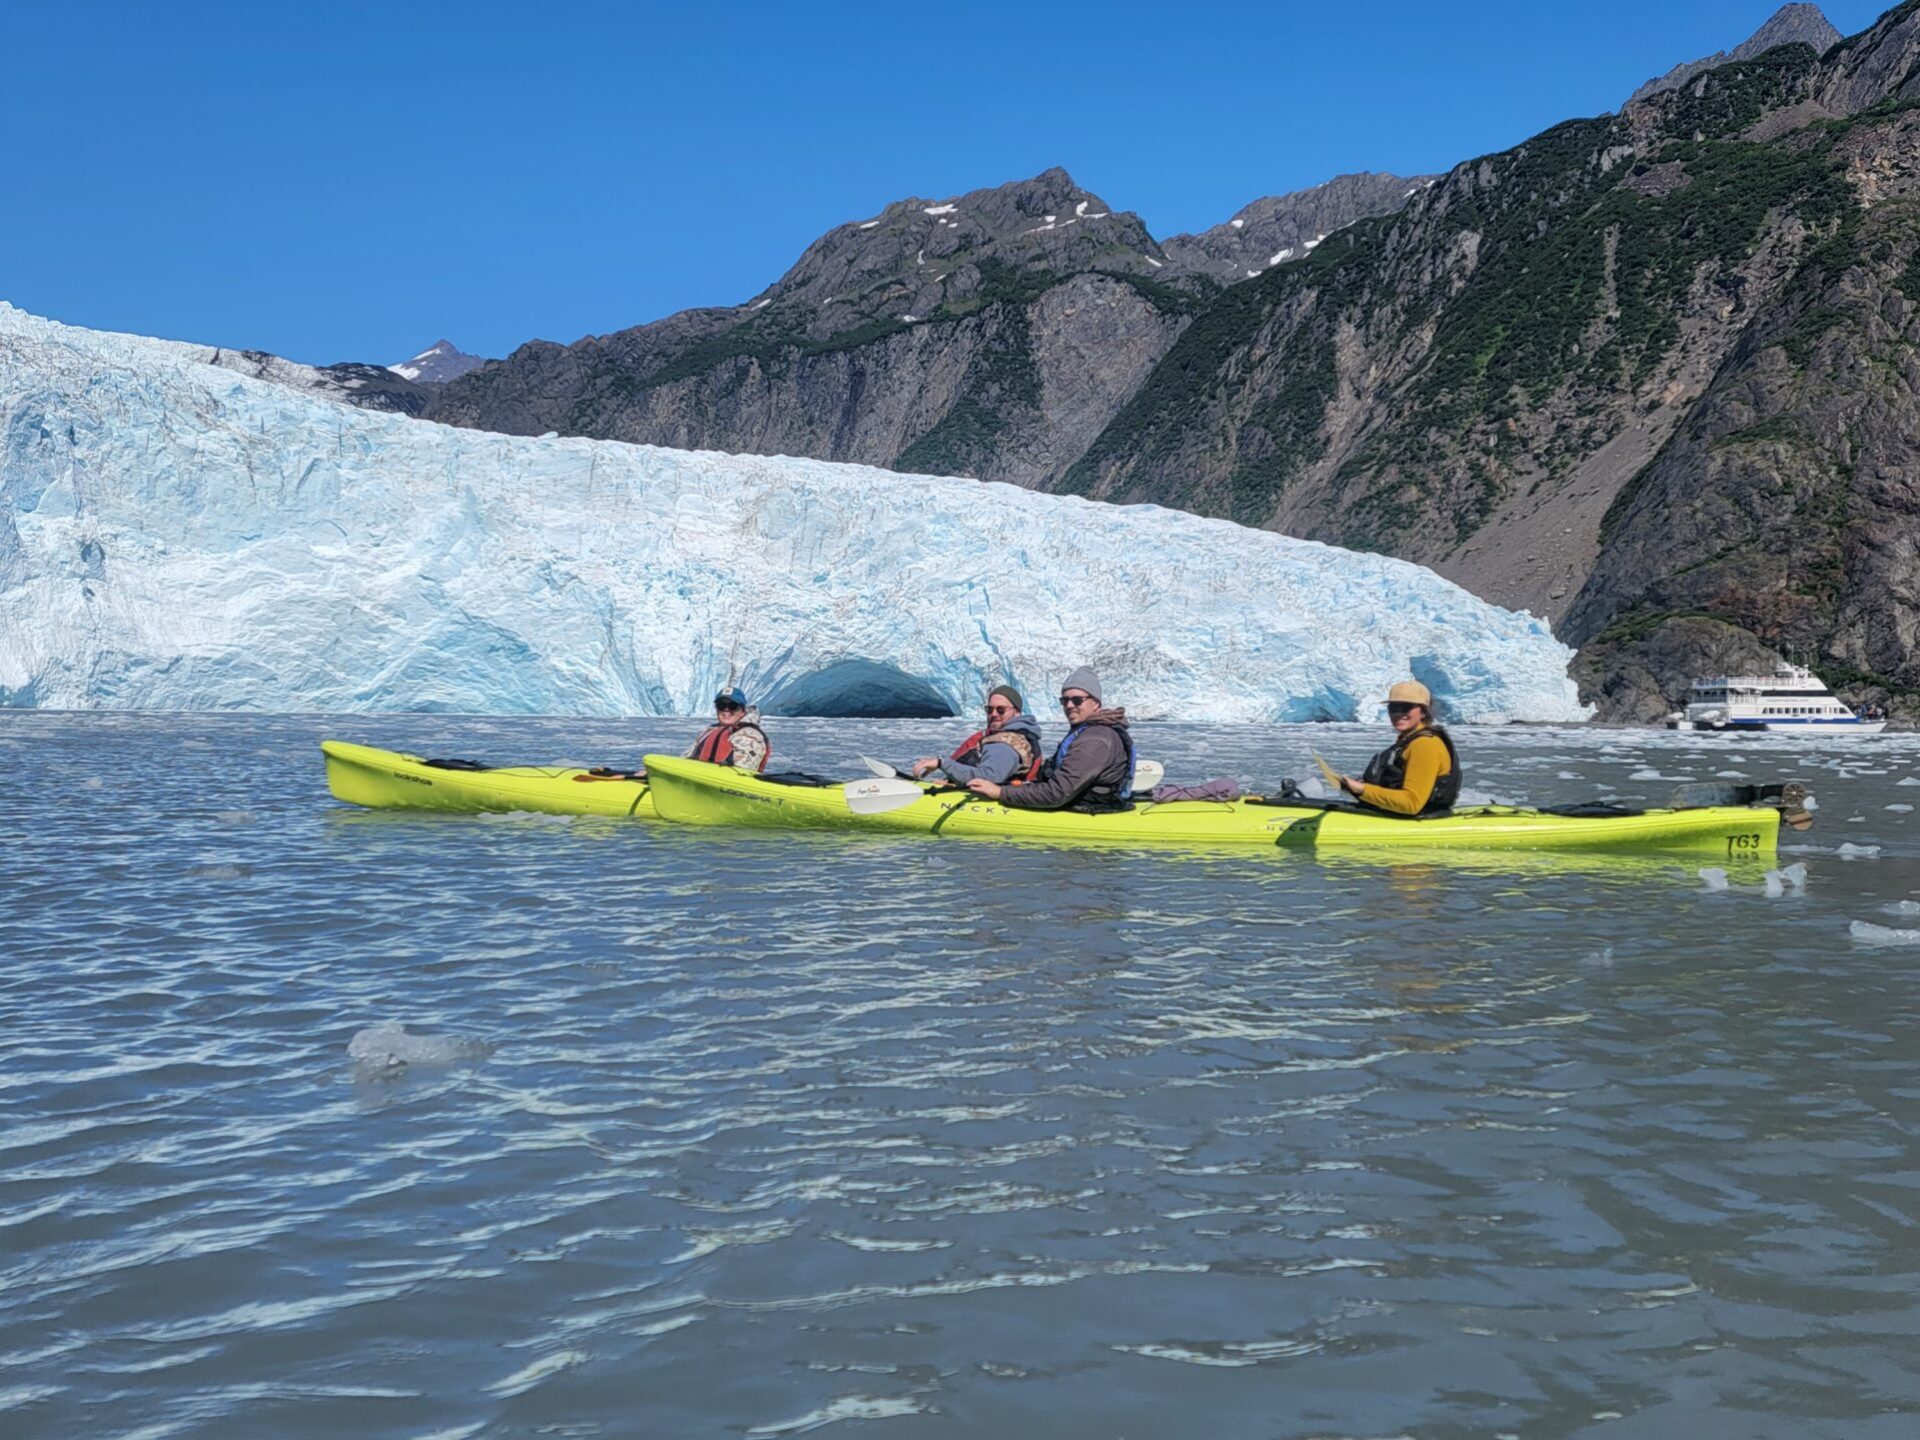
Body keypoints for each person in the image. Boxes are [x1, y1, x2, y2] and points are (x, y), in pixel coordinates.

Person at [967, 666, 1133, 812]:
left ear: (1095, 703)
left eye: (1077, 700)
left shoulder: (1096, 739)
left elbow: (1058, 792)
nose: (1069, 705)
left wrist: (1000, 792)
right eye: (1064, 700)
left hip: (1087, 808)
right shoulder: (1088, 732)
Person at [1331, 680, 1459, 816]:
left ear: (1423, 712)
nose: (1398, 713)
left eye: (1406, 707)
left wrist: (1362, 790)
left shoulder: (1425, 744)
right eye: (1393, 708)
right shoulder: (1408, 740)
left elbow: (1412, 804)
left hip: (1417, 819)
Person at [909, 685, 1044, 787]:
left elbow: (989, 777)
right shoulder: (1024, 734)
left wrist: (942, 763)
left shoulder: (1005, 743)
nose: (994, 714)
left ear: (1017, 713)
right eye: (989, 709)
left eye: (1001, 709)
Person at [686, 687, 771, 772]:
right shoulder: (709, 731)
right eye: (721, 705)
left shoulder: (749, 735)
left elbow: (743, 771)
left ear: (742, 710)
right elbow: (686, 758)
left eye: (732, 706)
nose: (726, 710)